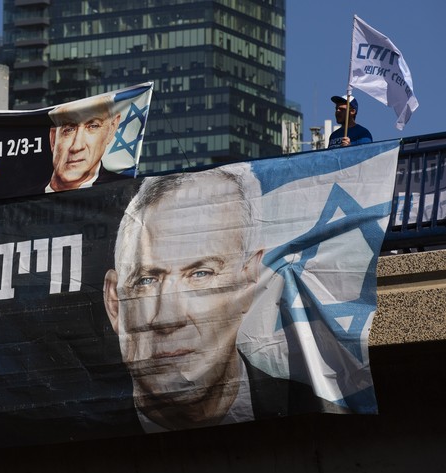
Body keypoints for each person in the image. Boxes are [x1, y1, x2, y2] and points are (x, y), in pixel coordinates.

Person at [102, 168, 339, 432]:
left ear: (249, 281)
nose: (168, 317)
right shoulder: (86, 424)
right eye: (146, 280)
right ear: (114, 303)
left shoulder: (308, 408)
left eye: (201, 274)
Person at [45, 95, 125, 192]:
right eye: (69, 129)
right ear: (53, 138)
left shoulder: (123, 191)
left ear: (111, 129)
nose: (77, 147)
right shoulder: (25, 196)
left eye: (92, 126)